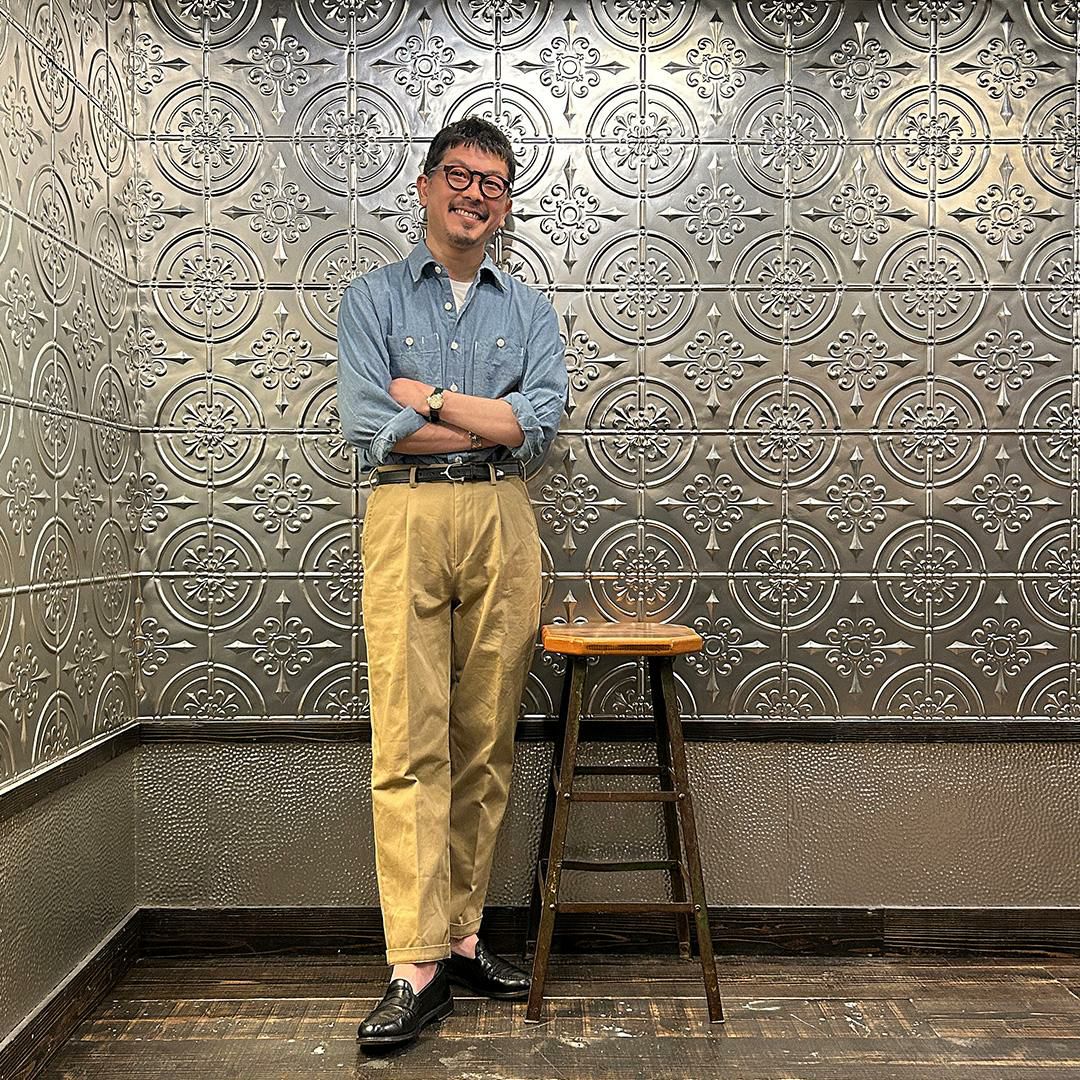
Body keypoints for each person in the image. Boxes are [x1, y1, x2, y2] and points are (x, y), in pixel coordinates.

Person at [336, 117, 567, 1050]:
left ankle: (463, 936)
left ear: (505, 206)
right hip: (405, 516)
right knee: (407, 736)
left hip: (504, 515)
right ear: (427, 186)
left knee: (485, 737)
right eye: (461, 176)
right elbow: (367, 427)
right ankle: (415, 964)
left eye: (494, 183)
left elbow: (537, 431)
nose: (476, 195)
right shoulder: (372, 297)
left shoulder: (531, 311)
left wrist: (425, 397)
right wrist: (487, 417)